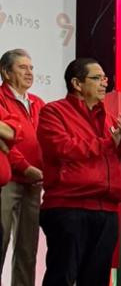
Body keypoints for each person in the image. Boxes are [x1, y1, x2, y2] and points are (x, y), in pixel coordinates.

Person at [36, 58, 121, 286]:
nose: (104, 83)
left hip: (107, 210)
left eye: (105, 78)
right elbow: (64, 148)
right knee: (62, 276)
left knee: (97, 279)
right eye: (97, 78)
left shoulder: (109, 118)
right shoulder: (53, 112)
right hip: (69, 206)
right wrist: (109, 142)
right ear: (77, 84)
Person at [0, 49, 44, 286]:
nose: (29, 73)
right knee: (1, 241)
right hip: (7, 181)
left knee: (28, 250)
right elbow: (5, 142)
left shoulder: (37, 102)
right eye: (22, 67)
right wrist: (25, 167)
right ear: (6, 72)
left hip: (33, 183)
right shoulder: (0, 99)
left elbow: (47, 139)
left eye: (31, 68)